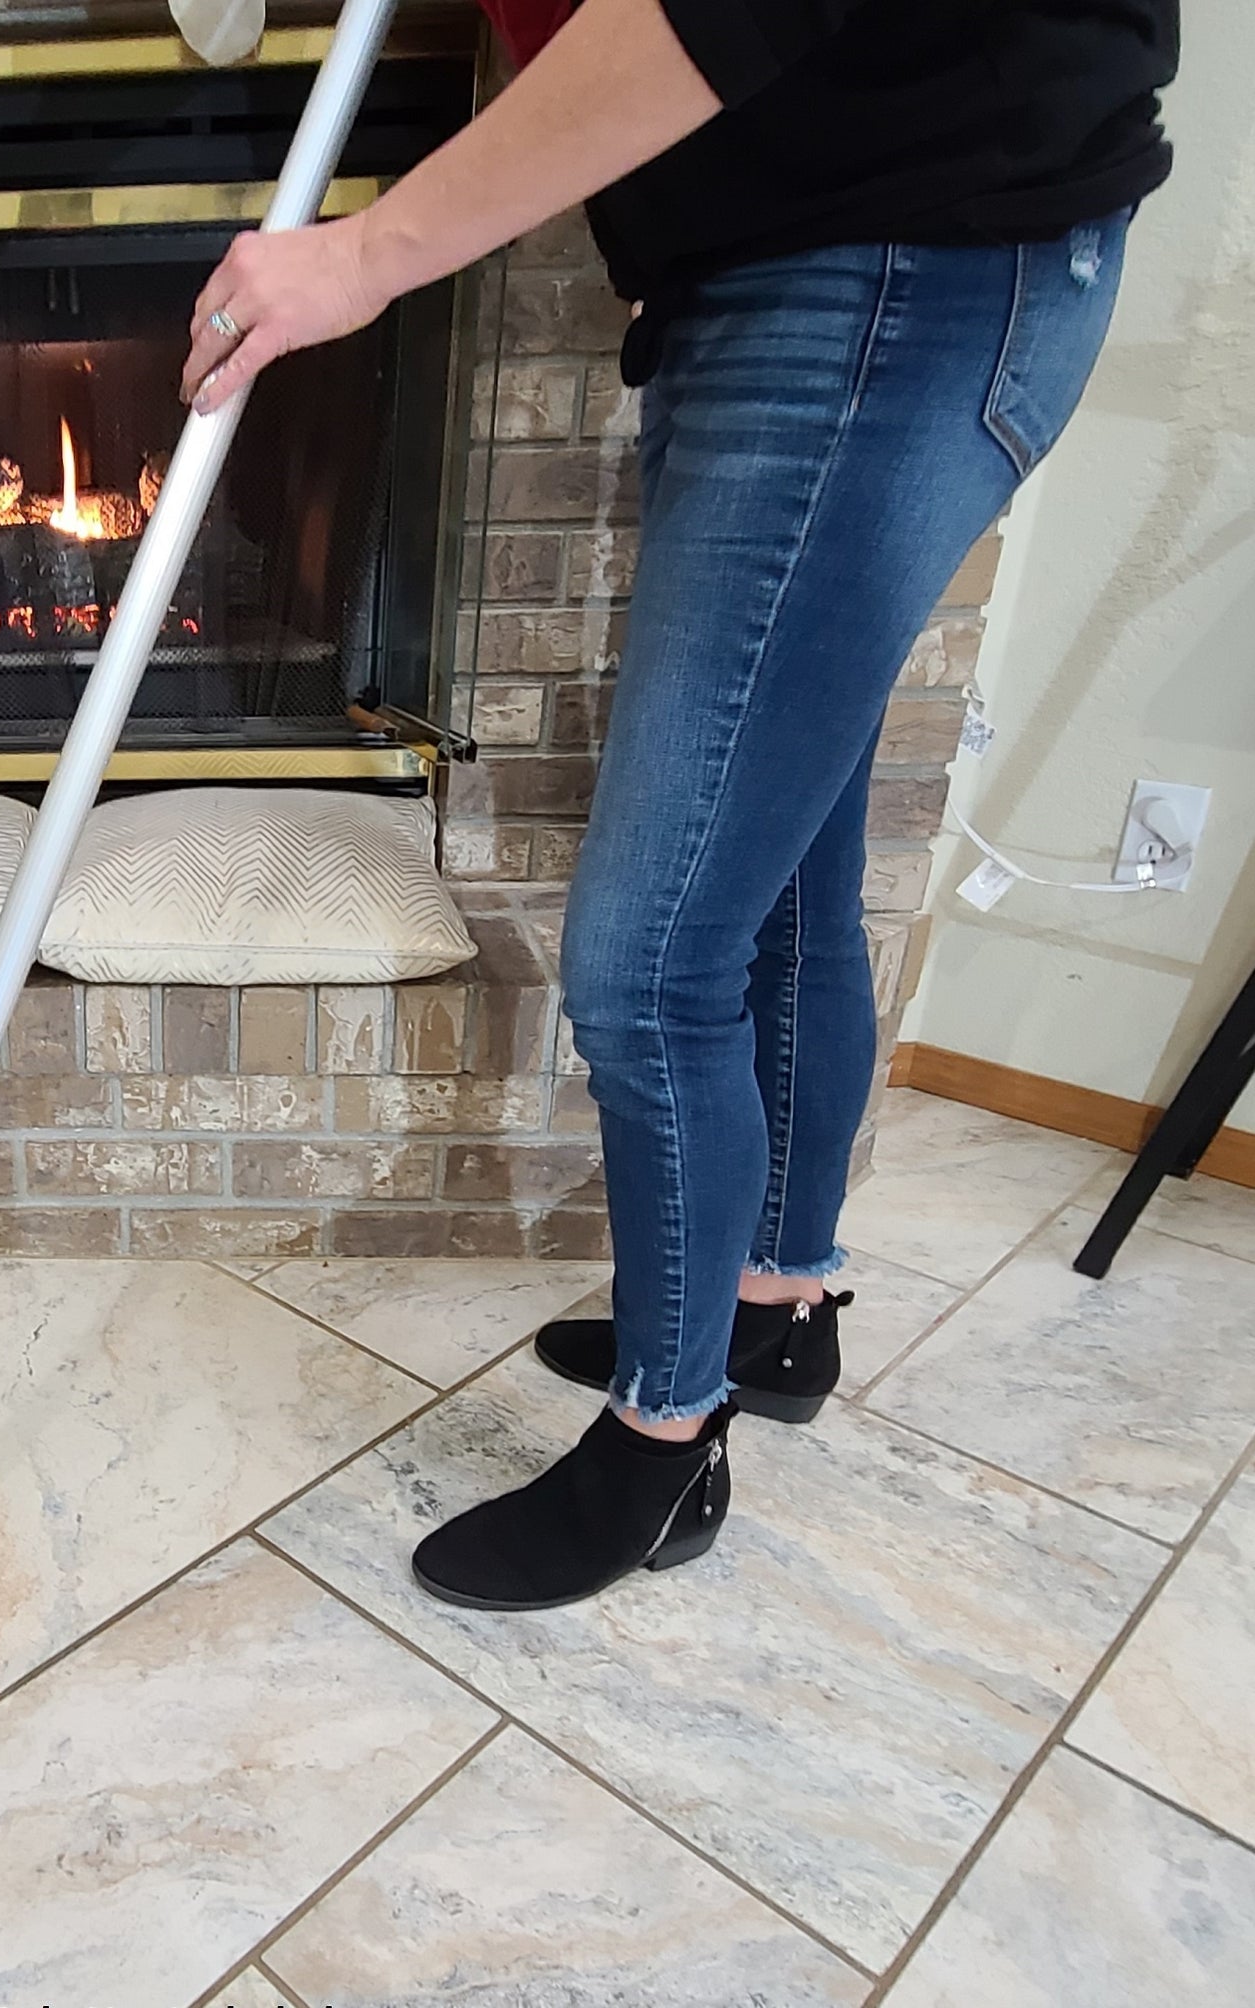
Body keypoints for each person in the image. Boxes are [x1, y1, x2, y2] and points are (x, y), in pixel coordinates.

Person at [182, 0, 1177, 1610]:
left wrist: (369, 256)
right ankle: (772, 1311)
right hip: (815, 276)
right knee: (775, 883)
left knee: (649, 967)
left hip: (893, 273)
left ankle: (665, 1444)